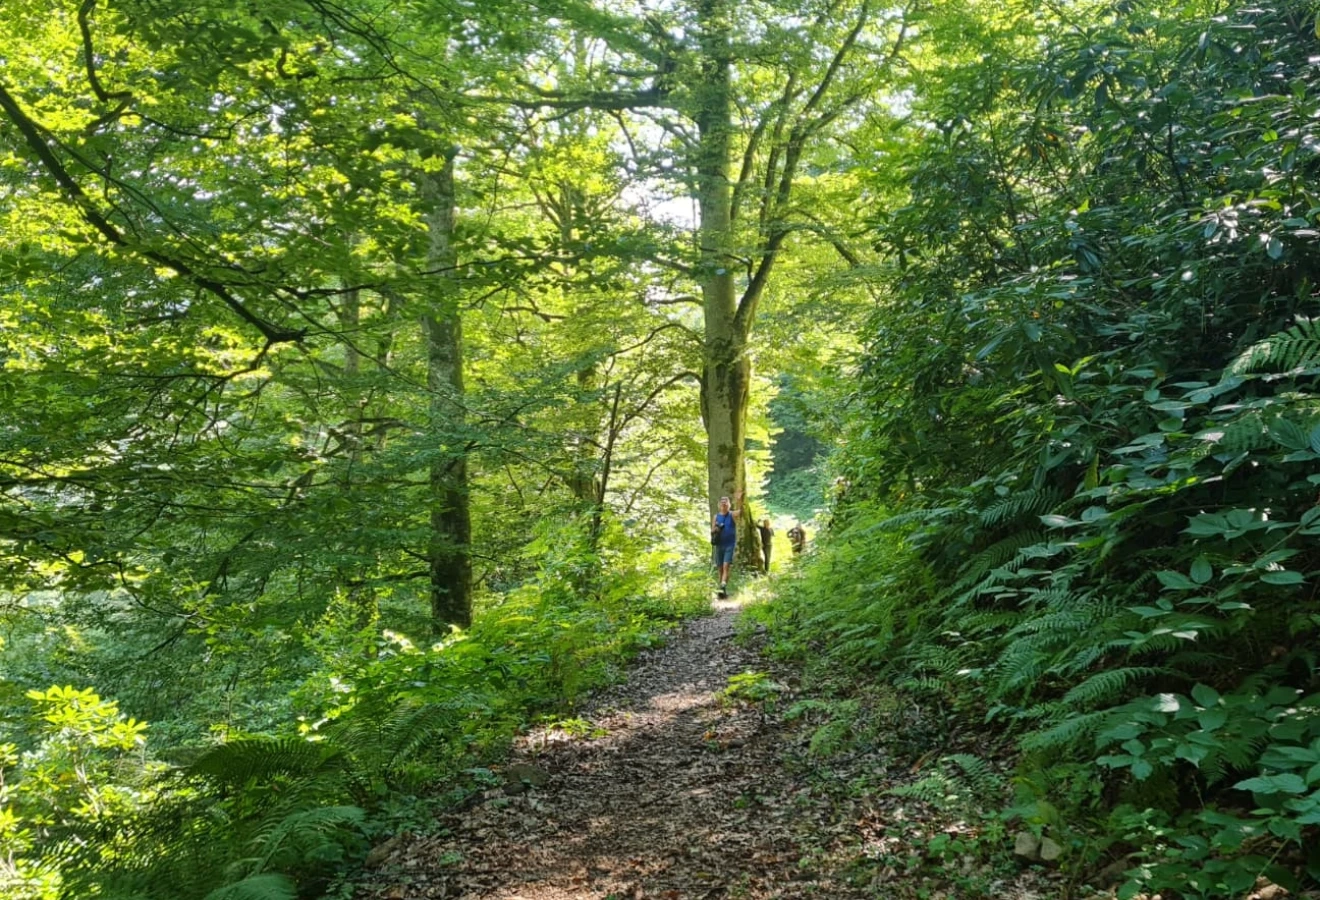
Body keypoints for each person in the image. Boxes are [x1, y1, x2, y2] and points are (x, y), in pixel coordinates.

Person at [710, 491, 742, 598]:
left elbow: (740, 511)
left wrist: (738, 500)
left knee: (726, 566)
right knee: (720, 569)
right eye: (722, 503)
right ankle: (722, 590)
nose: (724, 505)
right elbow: (712, 530)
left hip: (729, 545)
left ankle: (723, 586)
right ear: (719, 505)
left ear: (729, 505)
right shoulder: (716, 516)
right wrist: (717, 528)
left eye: (726, 503)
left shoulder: (731, 514)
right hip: (719, 545)